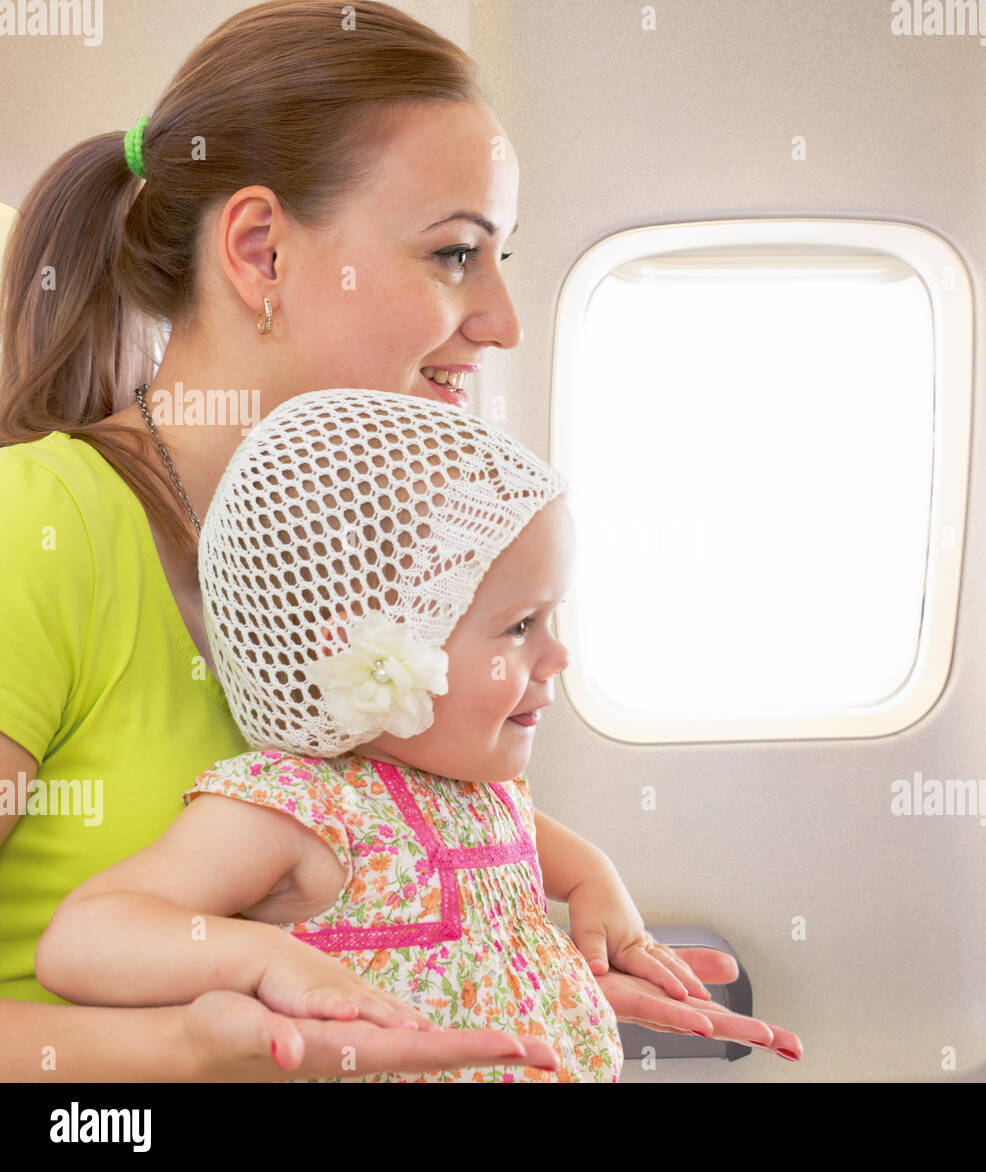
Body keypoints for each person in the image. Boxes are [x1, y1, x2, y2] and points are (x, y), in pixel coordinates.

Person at [0, 0, 802, 1080]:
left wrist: (491, 966)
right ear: (259, 251)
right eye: (456, 252)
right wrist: (185, 1048)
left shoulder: (368, 562)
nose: (505, 318)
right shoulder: (35, 530)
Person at [40, 389, 635, 1081]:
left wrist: (597, 879)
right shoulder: (299, 810)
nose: (558, 657)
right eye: (521, 626)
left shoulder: (484, 796)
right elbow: (80, 939)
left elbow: (554, 855)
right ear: (371, 646)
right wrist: (262, 958)